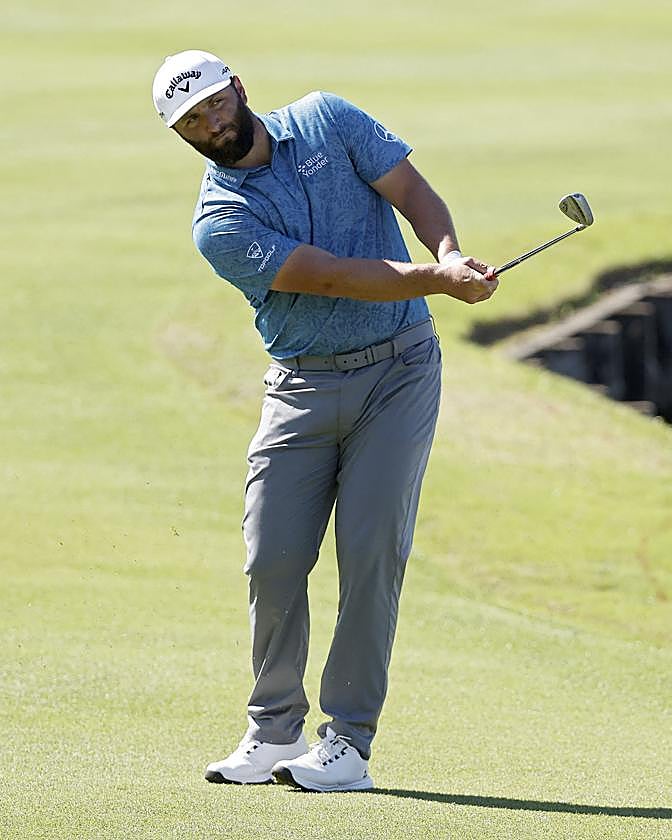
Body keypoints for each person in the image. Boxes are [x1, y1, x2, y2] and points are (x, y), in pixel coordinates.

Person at [151, 49, 498, 792]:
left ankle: (347, 744)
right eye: (192, 122)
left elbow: (410, 189)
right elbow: (331, 277)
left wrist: (449, 252)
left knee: (371, 551)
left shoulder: (327, 119)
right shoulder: (220, 221)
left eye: (215, 104)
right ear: (180, 135)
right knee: (272, 557)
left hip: (399, 372)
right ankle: (273, 730)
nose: (211, 124)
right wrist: (438, 281)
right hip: (301, 386)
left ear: (238, 88)